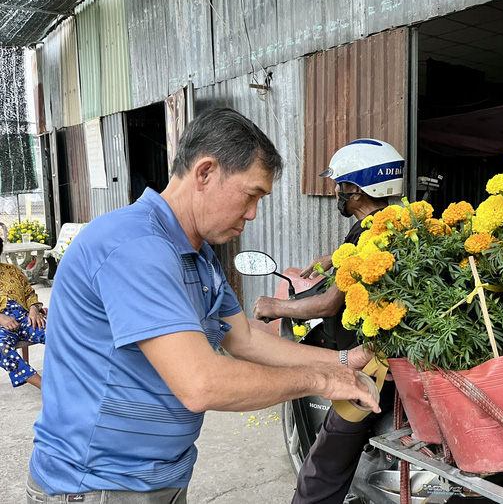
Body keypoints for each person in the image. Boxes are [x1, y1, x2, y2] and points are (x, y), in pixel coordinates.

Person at [27, 108, 379, 503]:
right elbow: (201, 383)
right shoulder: (134, 246)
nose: (252, 214)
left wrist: (347, 361)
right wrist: (325, 382)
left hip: (159, 477)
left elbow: (243, 338)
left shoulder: (198, 254)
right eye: (251, 196)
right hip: (98, 485)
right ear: (205, 172)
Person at [253, 138, 405, 504]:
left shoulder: (370, 234)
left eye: (340, 185)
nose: (336, 192)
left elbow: (327, 304)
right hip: (392, 354)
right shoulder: (390, 224)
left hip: (372, 364)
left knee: (325, 461)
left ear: (355, 190)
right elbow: (358, 258)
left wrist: (275, 307)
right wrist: (332, 258)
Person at [0, 236, 46, 389]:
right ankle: (46, 387)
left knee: (57, 333)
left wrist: (34, 309)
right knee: (2, 348)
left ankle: (78, 376)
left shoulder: (11, 270)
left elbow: (29, 293)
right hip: (1, 327)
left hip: (26, 318)